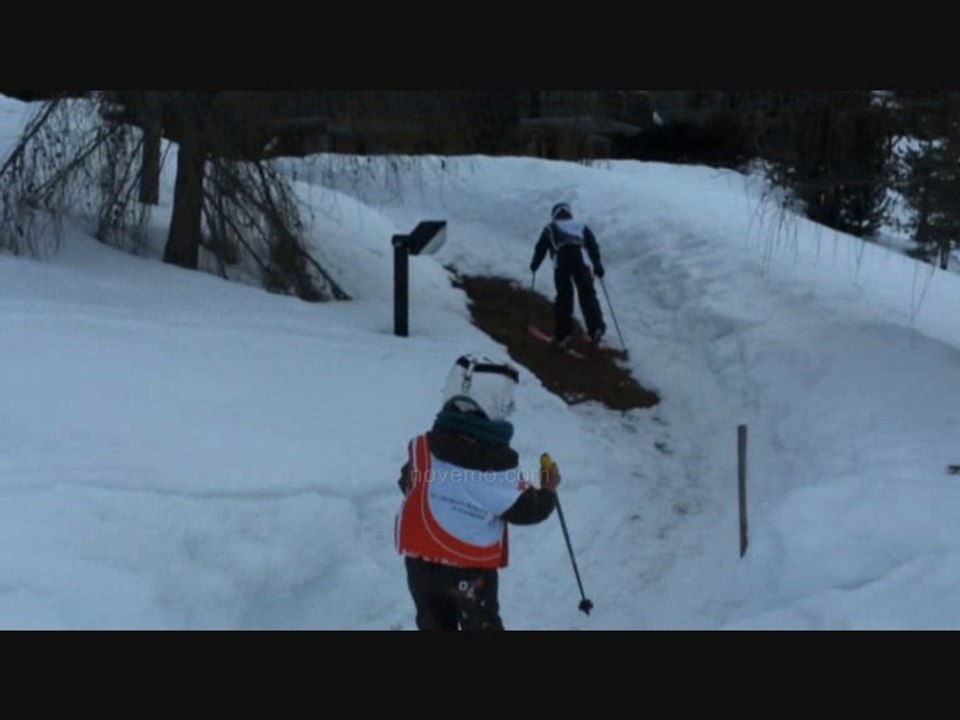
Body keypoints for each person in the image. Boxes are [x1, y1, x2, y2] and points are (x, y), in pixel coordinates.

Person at [395, 353, 561, 630]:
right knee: (481, 624)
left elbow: (407, 484)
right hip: (469, 573)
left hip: (420, 568)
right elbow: (527, 510)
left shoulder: (423, 450)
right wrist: (548, 490)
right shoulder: (496, 468)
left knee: (433, 623)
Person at [529, 201, 607, 350]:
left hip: (562, 259)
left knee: (564, 297)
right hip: (581, 259)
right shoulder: (581, 225)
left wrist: (535, 265)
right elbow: (592, 245)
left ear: (554, 215)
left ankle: (563, 335)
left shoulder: (550, 227)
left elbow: (541, 248)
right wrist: (597, 265)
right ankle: (596, 328)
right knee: (587, 293)